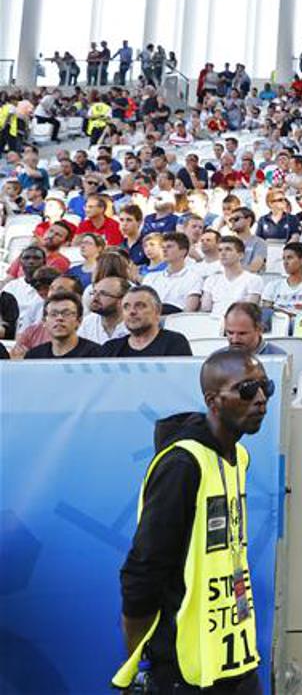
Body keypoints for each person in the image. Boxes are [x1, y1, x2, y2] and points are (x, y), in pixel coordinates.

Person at [113, 348, 271, 692]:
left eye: (265, 387)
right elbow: (144, 568)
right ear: (213, 401)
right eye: (246, 390)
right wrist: (141, 655)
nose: (260, 399)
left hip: (236, 662)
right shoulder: (183, 464)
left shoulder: (238, 456)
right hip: (184, 673)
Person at [101, 286, 193, 357]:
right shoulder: (111, 348)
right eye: (126, 307)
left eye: (140, 306)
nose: (132, 312)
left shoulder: (174, 343)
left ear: (157, 311)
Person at [24, 291, 101, 359]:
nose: (59, 318)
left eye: (66, 314)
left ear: (79, 320)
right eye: (53, 314)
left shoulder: (96, 354)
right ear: (44, 321)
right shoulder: (34, 357)